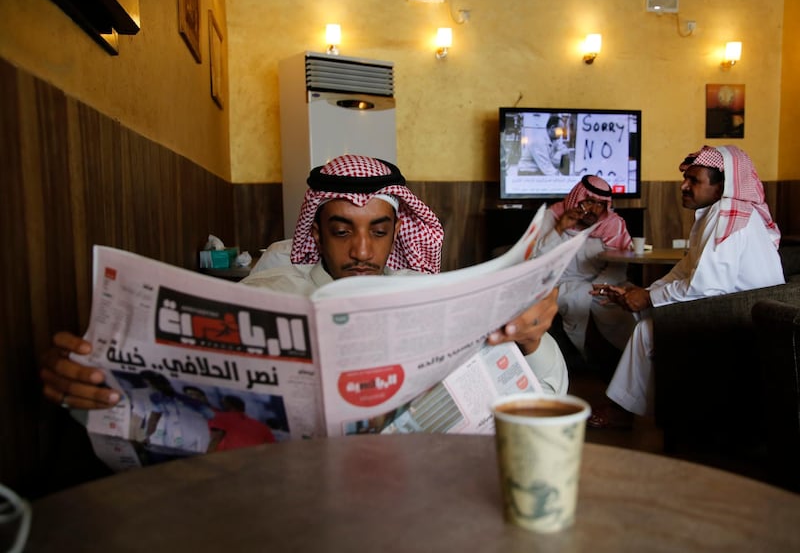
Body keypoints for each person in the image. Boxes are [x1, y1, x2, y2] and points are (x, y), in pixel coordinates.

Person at [40, 154, 569, 418]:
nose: (362, 251)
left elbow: (548, 398)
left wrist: (532, 342)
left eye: (379, 231)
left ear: (399, 233)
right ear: (315, 231)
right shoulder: (270, 290)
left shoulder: (429, 293)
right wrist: (98, 382)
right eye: (342, 231)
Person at [588, 145, 785, 428]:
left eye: (694, 181)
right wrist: (641, 294)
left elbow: (705, 288)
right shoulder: (721, 213)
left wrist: (648, 298)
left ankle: (623, 412)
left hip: (744, 323)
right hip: (731, 309)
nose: (684, 185)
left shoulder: (726, 217)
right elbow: (686, 270)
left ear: (721, 188)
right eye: (686, 178)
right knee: (650, 321)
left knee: (646, 332)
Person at [534, 175, 636, 360]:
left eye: (599, 204)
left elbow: (618, 266)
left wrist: (599, 287)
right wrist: (560, 227)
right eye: (589, 202)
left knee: (619, 303)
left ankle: (626, 360)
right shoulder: (553, 215)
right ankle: (588, 359)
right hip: (557, 283)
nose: (593, 209)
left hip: (602, 283)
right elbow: (537, 258)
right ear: (578, 199)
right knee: (577, 299)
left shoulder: (612, 225)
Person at [207, 395, 276, 452]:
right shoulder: (262, 426)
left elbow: (213, 438)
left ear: (229, 406)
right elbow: (273, 448)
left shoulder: (221, 417)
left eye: (222, 404)